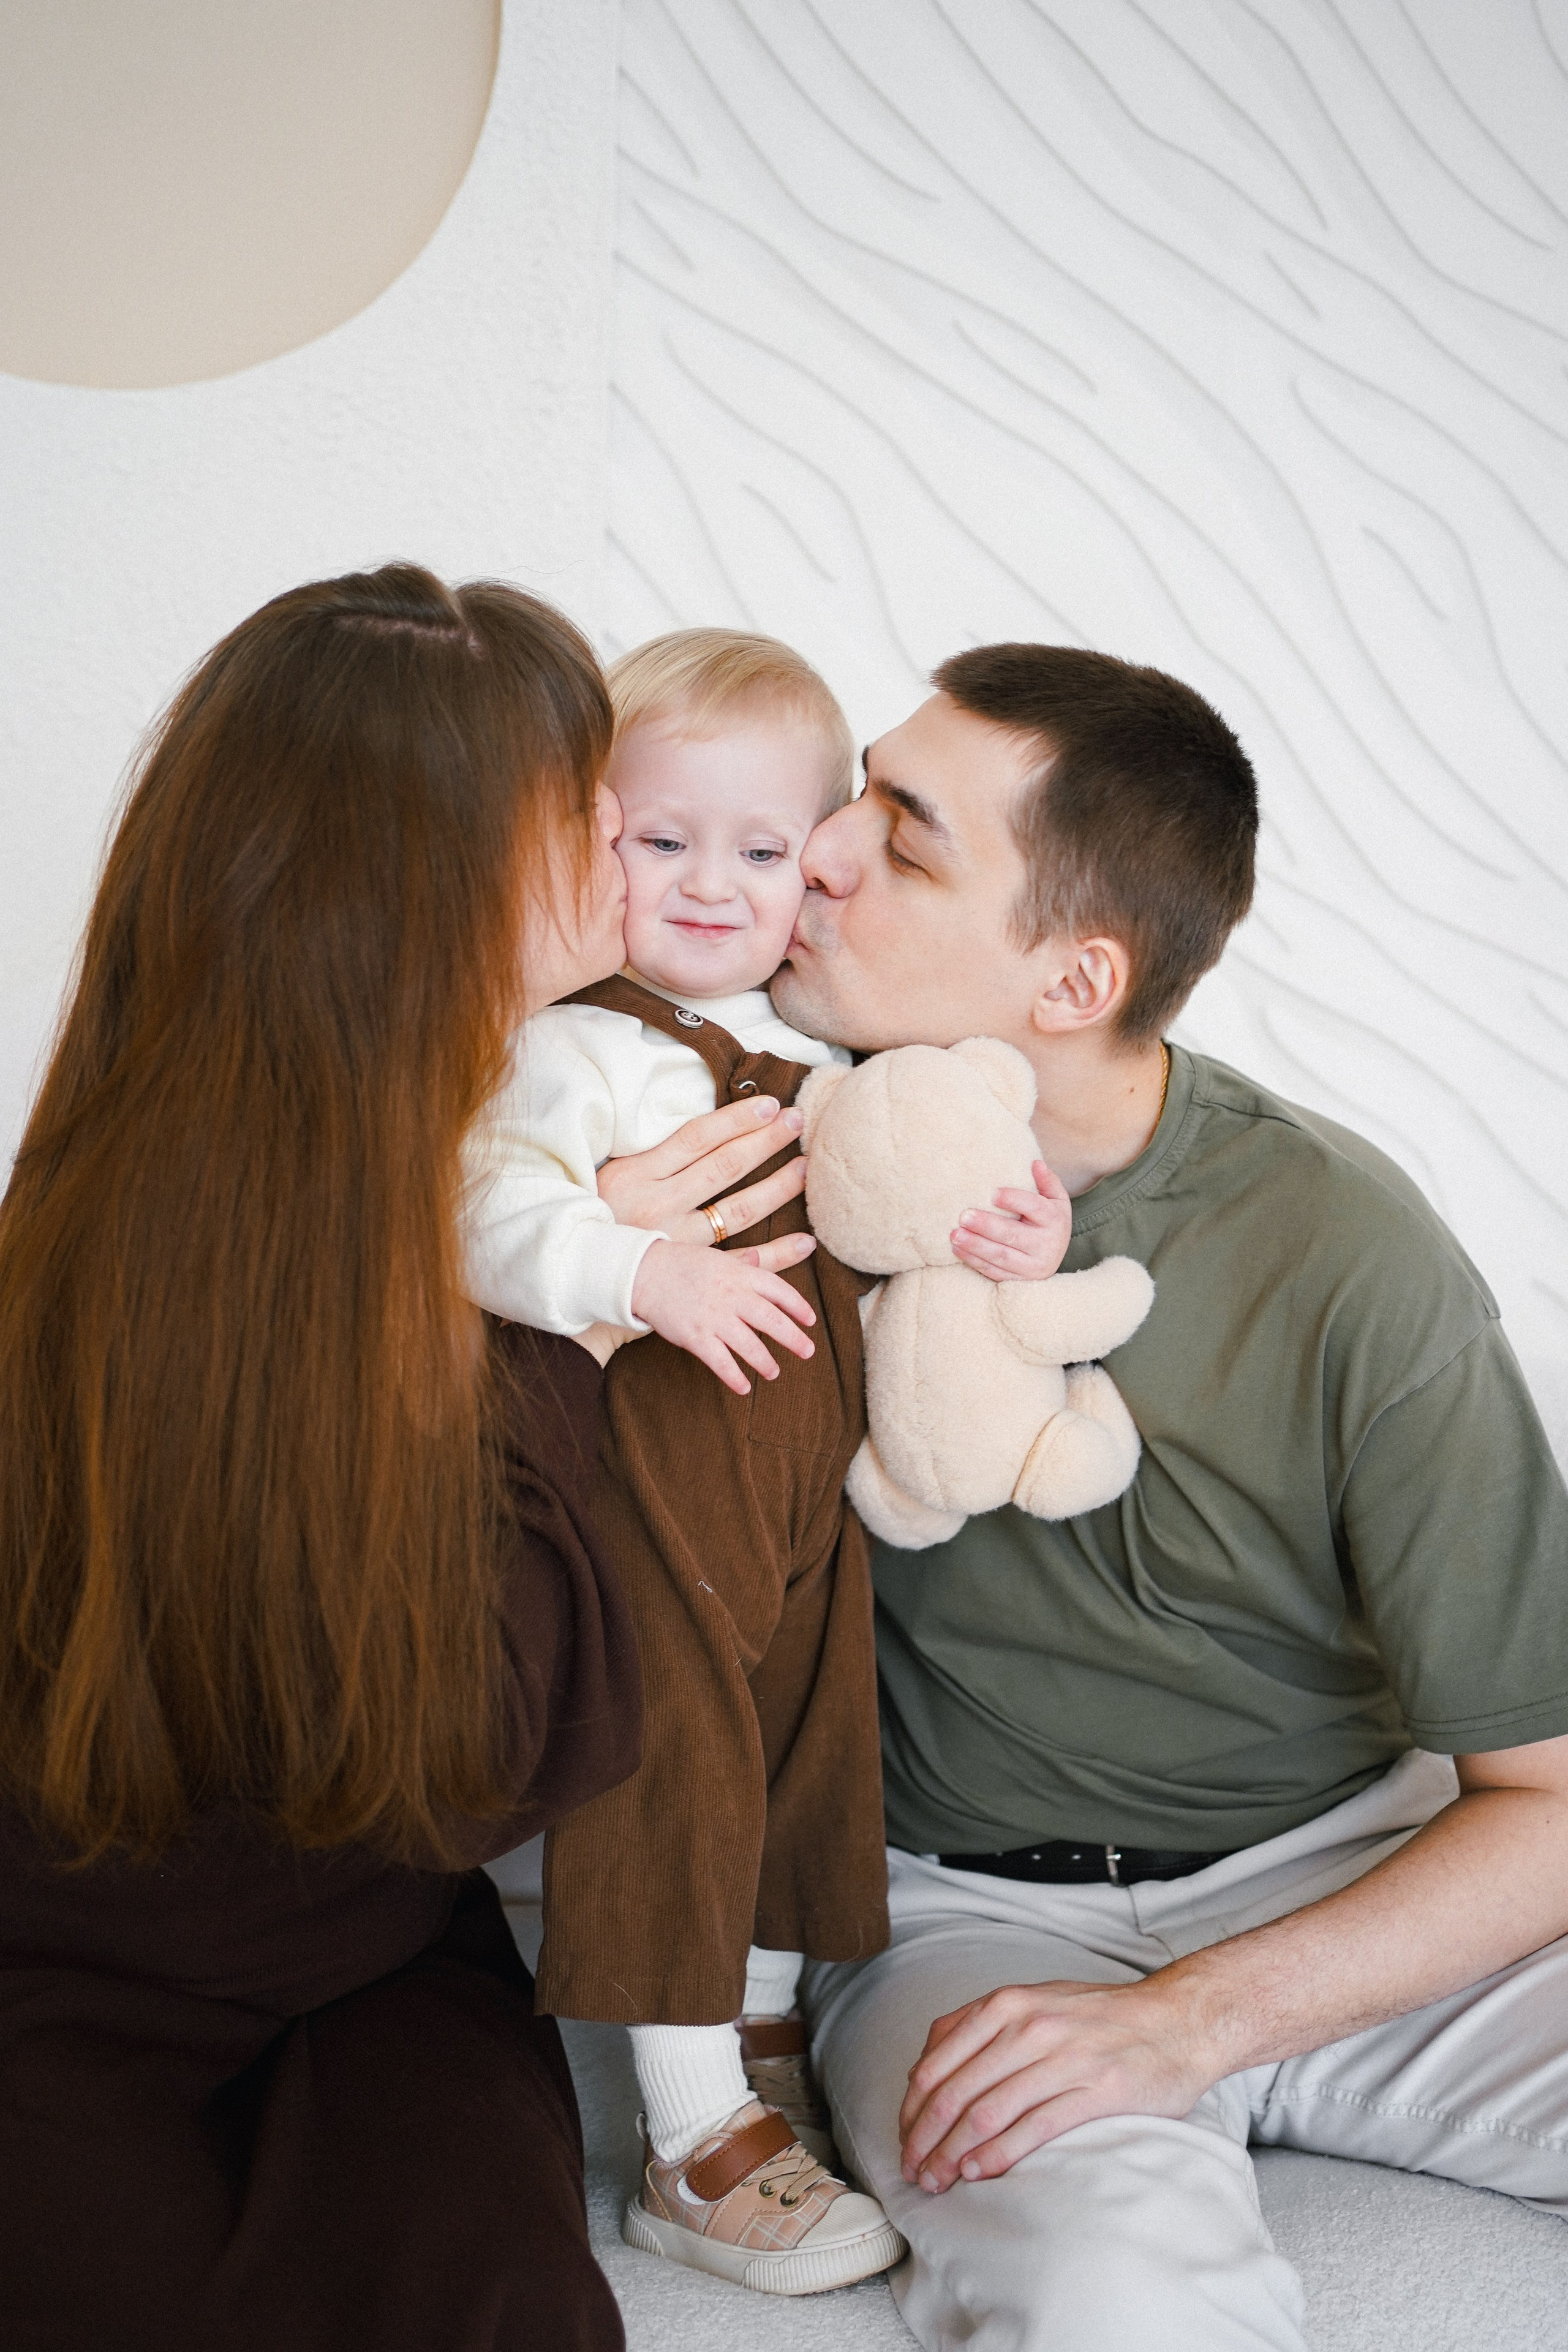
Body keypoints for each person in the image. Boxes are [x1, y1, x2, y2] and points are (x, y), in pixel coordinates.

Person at [772, 645, 1568, 2352]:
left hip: (1351, 1880)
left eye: (904, 841)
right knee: (1120, 2309)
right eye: (855, 796)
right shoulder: (747, 1186)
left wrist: (1202, 2019)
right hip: (965, 1916)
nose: (818, 855)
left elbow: (1550, 1799)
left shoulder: (1348, 1246)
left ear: (1073, 981)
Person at [0, 562, 652, 2352]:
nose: (629, 844)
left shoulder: (565, 1158)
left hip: (368, 1971)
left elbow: (487, 1761)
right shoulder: (137, 1234)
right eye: (581, 812)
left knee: (493, 2302)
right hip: (69, 1968)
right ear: (416, 880)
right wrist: (563, 1342)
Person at [468, 628, 1066, 2292]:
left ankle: (759, 2027)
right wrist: (636, 1271)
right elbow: (485, 1216)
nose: (715, 887)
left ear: (818, 858)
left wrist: (1009, 1233)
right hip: (651, 1503)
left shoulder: (828, 1061)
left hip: (806, 1510)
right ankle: (685, 2138)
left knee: (811, 1761)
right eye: (662, 843)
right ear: (595, 846)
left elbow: (894, 1231)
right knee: (680, 1773)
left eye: (762, 849)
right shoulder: (575, 1044)